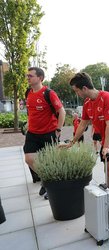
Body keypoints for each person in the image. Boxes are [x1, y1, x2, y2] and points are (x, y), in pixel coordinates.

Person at [67, 72, 109, 220]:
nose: (76, 93)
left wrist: (106, 147)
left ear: (84, 88)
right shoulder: (88, 103)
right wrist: (72, 141)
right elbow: (83, 124)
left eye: (76, 90)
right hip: (106, 143)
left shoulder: (107, 97)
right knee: (107, 172)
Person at [23, 67, 66, 200]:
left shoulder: (48, 93)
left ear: (40, 78)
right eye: (27, 75)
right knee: (29, 159)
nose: (28, 77)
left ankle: (50, 185)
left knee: (51, 161)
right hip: (33, 133)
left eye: (30, 75)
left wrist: (58, 129)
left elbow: (62, 112)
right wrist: (28, 124)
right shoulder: (28, 93)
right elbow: (30, 111)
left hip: (49, 133)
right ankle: (47, 180)